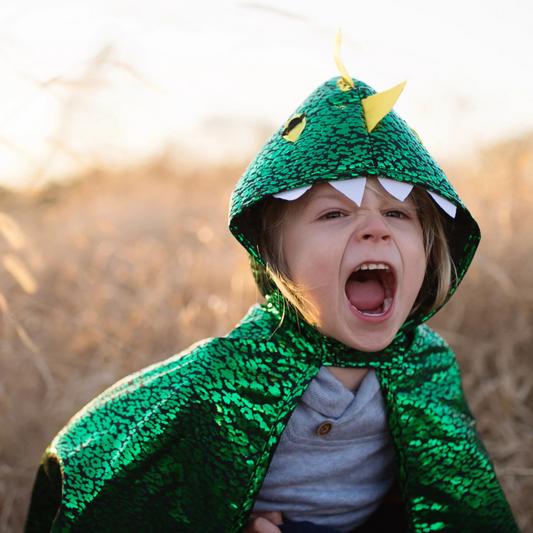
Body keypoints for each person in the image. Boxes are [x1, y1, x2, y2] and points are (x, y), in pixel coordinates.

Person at [25, 36, 519, 533]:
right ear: (275, 258)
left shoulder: (426, 364)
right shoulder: (230, 374)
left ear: (431, 250)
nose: (375, 228)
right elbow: (117, 463)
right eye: (334, 212)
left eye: (396, 212)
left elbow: (449, 497)